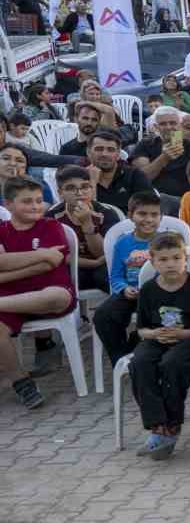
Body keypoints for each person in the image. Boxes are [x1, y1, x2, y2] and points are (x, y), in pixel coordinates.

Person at [128, 232, 190, 458]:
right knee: (140, 363)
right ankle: (158, 426)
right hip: (159, 338)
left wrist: (183, 334)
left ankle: (172, 426)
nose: (170, 264)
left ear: (185, 258)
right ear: (152, 262)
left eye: (175, 258)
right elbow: (141, 329)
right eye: (163, 260)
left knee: (171, 364)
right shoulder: (150, 290)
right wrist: (155, 334)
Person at [0, 175, 75, 409]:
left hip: (48, 294)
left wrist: (10, 262)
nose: (35, 206)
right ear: (8, 204)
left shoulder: (51, 225)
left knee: (58, 296)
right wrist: (41, 254)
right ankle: (22, 382)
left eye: (38, 200)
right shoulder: (1, 230)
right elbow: (44, 259)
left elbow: (52, 262)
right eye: (27, 201)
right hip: (11, 298)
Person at [94, 189, 164, 369]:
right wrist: (124, 288)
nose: (148, 219)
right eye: (142, 214)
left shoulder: (168, 241)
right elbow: (116, 276)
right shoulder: (122, 243)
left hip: (160, 294)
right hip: (131, 292)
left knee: (163, 316)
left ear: (161, 217)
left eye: (154, 214)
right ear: (131, 215)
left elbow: (178, 272)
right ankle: (120, 359)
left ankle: (138, 340)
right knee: (104, 315)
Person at [46, 165, 113, 293]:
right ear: (60, 192)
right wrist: (94, 264)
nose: (79, 193)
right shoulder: (51, 217)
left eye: (85, 187)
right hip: (71, 265)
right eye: (71, 188)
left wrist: (87, 223)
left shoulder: (106, 213)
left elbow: (103, 253)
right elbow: (59, 256)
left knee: (106, 277)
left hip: (103, 264)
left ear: (92, 188)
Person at [132, 107, 190, 199]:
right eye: (163, 124)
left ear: (180, 125)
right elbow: (141, 180)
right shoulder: (146, 144)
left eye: (173, 123)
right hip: (157, 199)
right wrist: (164, 158)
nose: (169, 127)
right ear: (156, 127)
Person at [87, 130, 155, 217]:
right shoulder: (79, 177)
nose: (104, 154)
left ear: (118, 154)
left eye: (111, 150)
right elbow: (86, 213)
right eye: (99, 149)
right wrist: (92, 182)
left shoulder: (134, 175)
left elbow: (150, 207)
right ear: (88, 152)